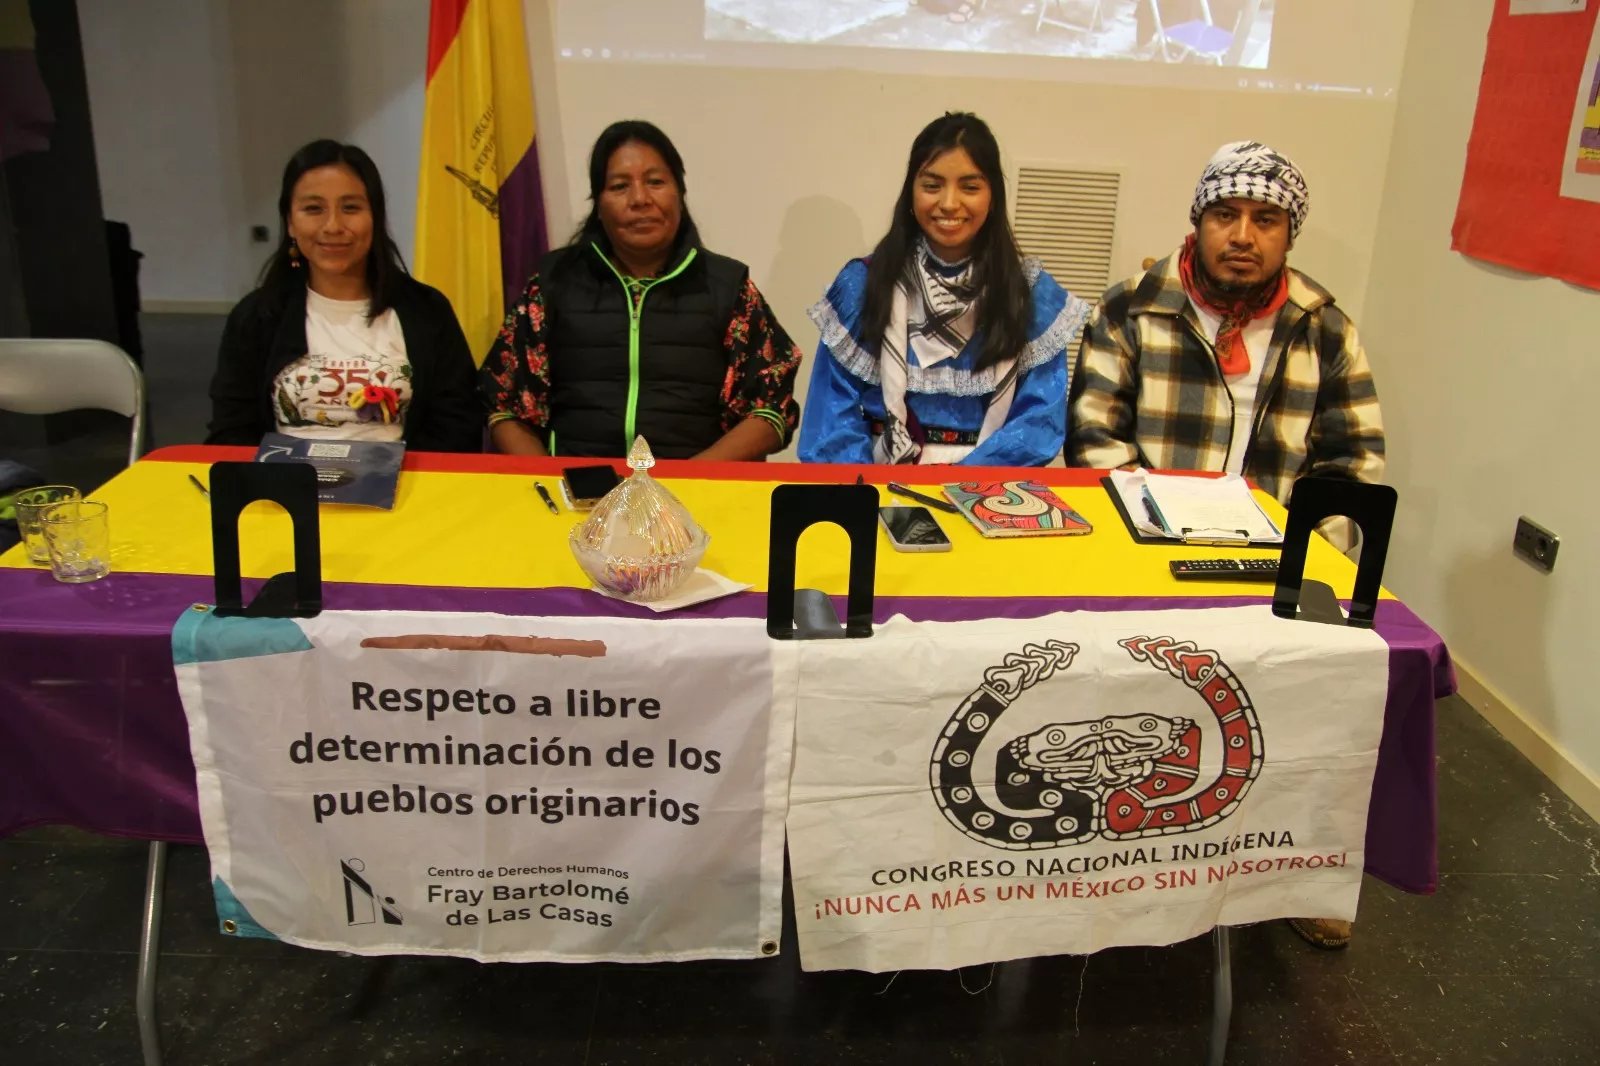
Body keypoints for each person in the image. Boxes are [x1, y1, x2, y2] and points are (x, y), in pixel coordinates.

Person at [1069, 140, 1385, 949]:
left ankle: (1303, 872)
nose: (1242, 234)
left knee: (1319, 706)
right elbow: (1093, 443)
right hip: (1148, 554)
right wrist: (1159, 542)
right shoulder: (1130, 309)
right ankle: (1120, 854)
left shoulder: (1328, 330)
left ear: (1288, 234)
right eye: (1226, 214)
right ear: (1199, 221)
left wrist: (1315, 563)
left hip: (1276, 565)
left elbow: (1354, 463)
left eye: (1265, 219)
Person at [480, 120, 801, 460]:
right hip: (578, 500)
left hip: (695, 500)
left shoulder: (727, 287)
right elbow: (503, 400)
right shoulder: (552, 283)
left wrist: (691, 482)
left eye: (655, 182)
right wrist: (551, 485)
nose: (639, 199)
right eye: (619, 186)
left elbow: (771, 408)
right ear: (598, 205)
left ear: (680, 192)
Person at [798, 112, 1087, 466]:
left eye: (970, 187)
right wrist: (867, 496)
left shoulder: (1029, 294)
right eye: (932, 185)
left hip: (988, 494)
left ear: (993, 195)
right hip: (877, 486)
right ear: (910, 192)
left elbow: (1037, 425)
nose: (949, 204)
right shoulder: (864, 284)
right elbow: (831, 423)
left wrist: (961, 488)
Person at [207, 140, 479, 451]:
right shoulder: (256, 316)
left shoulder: (427, 310)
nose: (333, 226)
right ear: (290, 222)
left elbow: (457, 425)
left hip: (406, 488)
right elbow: (231, 434)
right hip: (287, 490)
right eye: (313, 209)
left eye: (350, 208)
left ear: (374, 218)